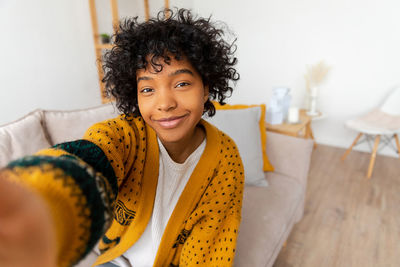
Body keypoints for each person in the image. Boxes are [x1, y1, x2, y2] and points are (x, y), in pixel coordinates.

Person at [0, 8, 244, 267]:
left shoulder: (225, 161)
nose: (165, 103)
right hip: (116, 260)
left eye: (182, 83)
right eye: (148, 89)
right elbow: (90, 161)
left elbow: (209, 251)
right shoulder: (126, 135)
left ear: (206, 88)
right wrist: (38, 206)